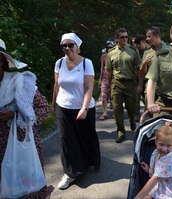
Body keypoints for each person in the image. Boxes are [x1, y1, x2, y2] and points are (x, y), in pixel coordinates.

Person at [0, 39, 54, 198]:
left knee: (26, 190)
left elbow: (43, 108)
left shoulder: (20, 83)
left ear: (2, 60)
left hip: (21, 147)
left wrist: (15, 115)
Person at [52, 33, 101, 189]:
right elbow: (56, 86)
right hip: (63, 106)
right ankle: (70, 173)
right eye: (64, 45)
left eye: (70, 45)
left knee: (84, 138)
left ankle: (87, 162)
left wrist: (84, 107)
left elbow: (89, 87)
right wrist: (53, 104)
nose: (67, 48)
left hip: (83, 108)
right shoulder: (59, 63)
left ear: (77, 46)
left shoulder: (87, 63)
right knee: (66, 139)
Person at [106, 28, 142, 143]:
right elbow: (109, 70)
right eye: (122, 37)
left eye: (126, 37)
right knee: (117, 109)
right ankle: (121, 132)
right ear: (116, 39)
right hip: (117, 83)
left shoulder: (133, 51)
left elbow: (139, 69)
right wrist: (108, 85)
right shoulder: (111, 53)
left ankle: (132, 120)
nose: (125, 39)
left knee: (131, 108)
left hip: (130, 83)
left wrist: (140, 84)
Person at [135, 122, 172, 199]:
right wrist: (150, 170)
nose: (164, 149)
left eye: (168, 146)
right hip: (161, 186)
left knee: (143, 196)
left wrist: (138, 197)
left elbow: (156, 178)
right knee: (149, 196)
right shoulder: (156, 153)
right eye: (161, 144)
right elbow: (160, 171)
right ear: (156, 142)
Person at [139, 26, 171, 111]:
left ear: (156, 36)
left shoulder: (170, 50)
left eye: (149, 36)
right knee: (150, 113)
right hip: (150, 89)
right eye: (146, 37)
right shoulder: (147, 52)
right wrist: (144, 63)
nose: (147, 39)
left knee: (165, 113)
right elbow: (143, 72)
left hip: (166, 89)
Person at [133, 34, 150, 121]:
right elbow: (139, 69)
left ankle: (146, 115)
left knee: (148, 98)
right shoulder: (137, 52)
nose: (138, 46)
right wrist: (139, 84)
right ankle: (136, 114)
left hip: (148, 80)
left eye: (139, 44)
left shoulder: (150, 51)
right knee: (136, 97)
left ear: (143, 42)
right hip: (139, 78)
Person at [98, 40, 114, 120]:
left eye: (111, 47)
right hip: (105, 77)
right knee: (104, 94)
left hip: (114, 78)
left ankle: (115, 112)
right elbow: (101, 68)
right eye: (108, 47)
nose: (109, 49)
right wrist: (100, 79)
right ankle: (105, 113)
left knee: (113, 95)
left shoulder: (115, 55)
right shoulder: (103, 56)